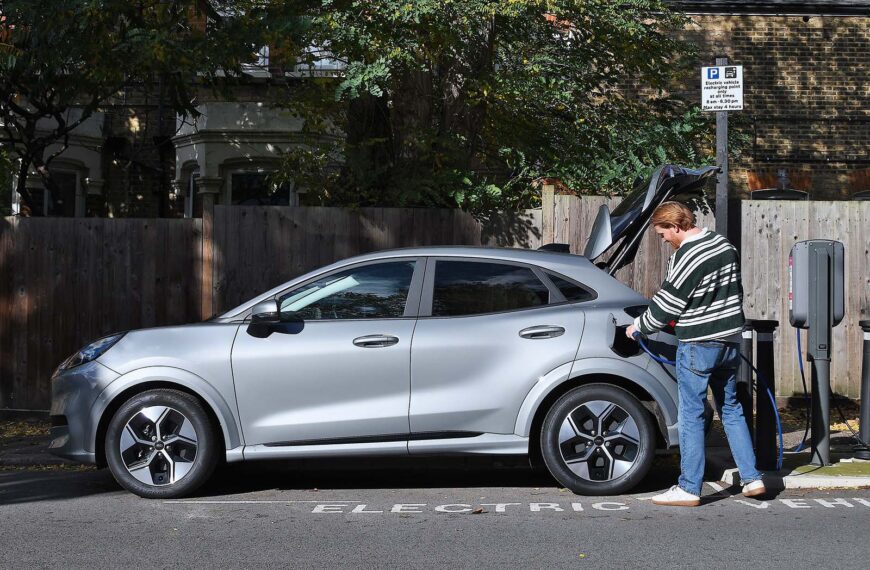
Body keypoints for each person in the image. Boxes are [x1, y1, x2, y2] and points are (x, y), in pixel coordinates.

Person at [625, 201, 765, 507]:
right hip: (729, 341)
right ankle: (753, 478)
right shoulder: (722, 244)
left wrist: (638, 327)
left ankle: (689, 487)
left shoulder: (686, 255)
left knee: (691, 415)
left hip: (699, 343)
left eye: (663, 233)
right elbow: (732, 291)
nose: (663, 240)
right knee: (731, 409)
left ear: (676, 226)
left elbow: (668, 304)